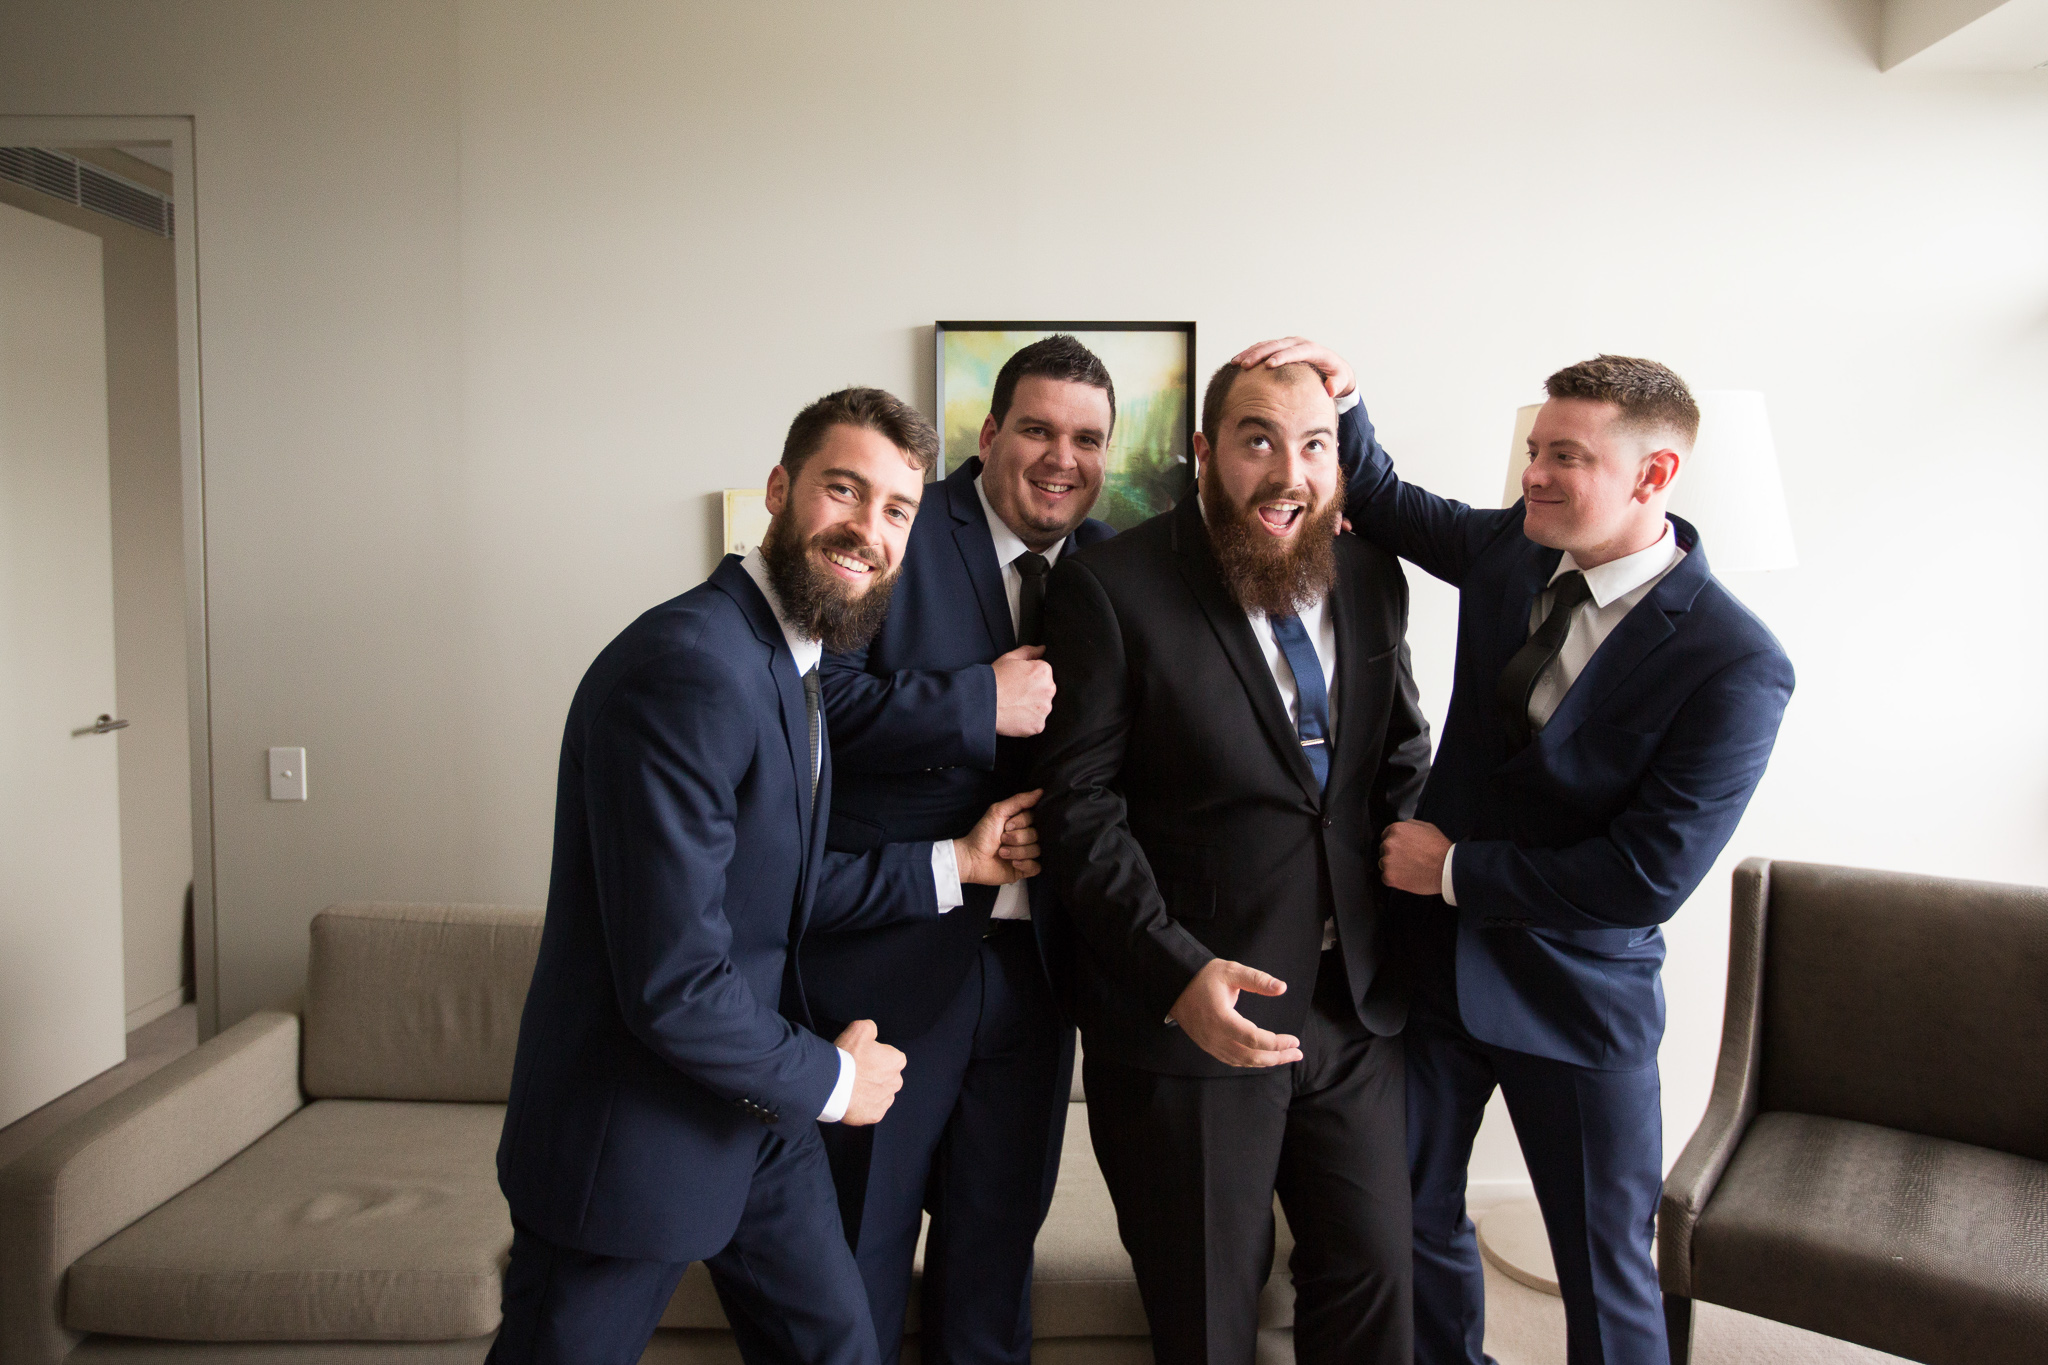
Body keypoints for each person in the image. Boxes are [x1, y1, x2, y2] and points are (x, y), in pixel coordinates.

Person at [1234, 338, 1795, 1365]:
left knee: (1604, 1268)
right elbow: (1389, 500)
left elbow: (1643, 879)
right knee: (1405, 1218)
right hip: (1431, 977)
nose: (1531, 472)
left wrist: (1447, 868)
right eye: (1533, 447)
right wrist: (1346, 403)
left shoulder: (1735, 662)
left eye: (1563, 457)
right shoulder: (1512, 552)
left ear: (1651, 475)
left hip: (1575, 1004)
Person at [490, 387, 1045, 1365]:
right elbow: (674, 984)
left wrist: (954, 864)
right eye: (843, 490)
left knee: (838, 1349)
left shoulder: (792, 665)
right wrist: (835, 1079)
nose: (866, 529)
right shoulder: (690, 667)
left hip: (756, 1122)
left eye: (895, 511)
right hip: (635, 1140)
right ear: (780, 491)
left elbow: (785, 890)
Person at [1032, 356, 1432, 1365]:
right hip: (1192, 1026)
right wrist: (1177, 974)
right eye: (1257, 440)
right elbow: (1078, 811)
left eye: (1313, 445)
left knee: (1377, 1281)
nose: (1287, 472)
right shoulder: (1109, 588)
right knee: (1207, 1318)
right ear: (1205, 454)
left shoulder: (1374, 577)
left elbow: (1396, 757)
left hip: (1350, 1010)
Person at [807, 335, 1117, 1365]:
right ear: (987, 436)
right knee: (859, 1248)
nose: (1058, 457)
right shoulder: (894, 528)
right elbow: (819, 704)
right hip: (889, 956)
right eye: (1035, 428)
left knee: (993, 1255)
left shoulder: (1116, 566)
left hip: (1038, 977)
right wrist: (979, 698)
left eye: (1084, 438)